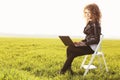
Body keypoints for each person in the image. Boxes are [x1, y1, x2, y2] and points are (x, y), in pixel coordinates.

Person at [60, 3, 102, 75]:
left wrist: (84, 43)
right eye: (85, 12)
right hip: (87, 44)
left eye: (88, 12)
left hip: (91, 48)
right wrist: (80, 43)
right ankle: (67, 70)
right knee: (71, 51)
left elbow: (96, 39)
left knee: (70, 49)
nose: (86, 14)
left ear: (94, 12)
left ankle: (63, 71)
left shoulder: (95, 24)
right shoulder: (90, 22)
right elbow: (88, 37)